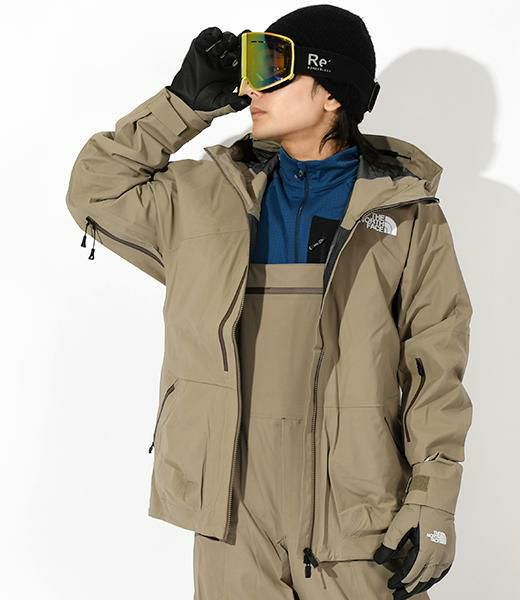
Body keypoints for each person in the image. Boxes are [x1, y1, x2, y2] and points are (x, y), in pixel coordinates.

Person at [65, 4, 473, 600]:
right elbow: (95, 190)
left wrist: (433, 502)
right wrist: (181, 105)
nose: (252, 88)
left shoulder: (406, 216)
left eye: (273, 69)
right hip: (233, 515)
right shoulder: (205, 198)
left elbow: (436, 368)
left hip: (358, 514)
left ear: (331, 92)